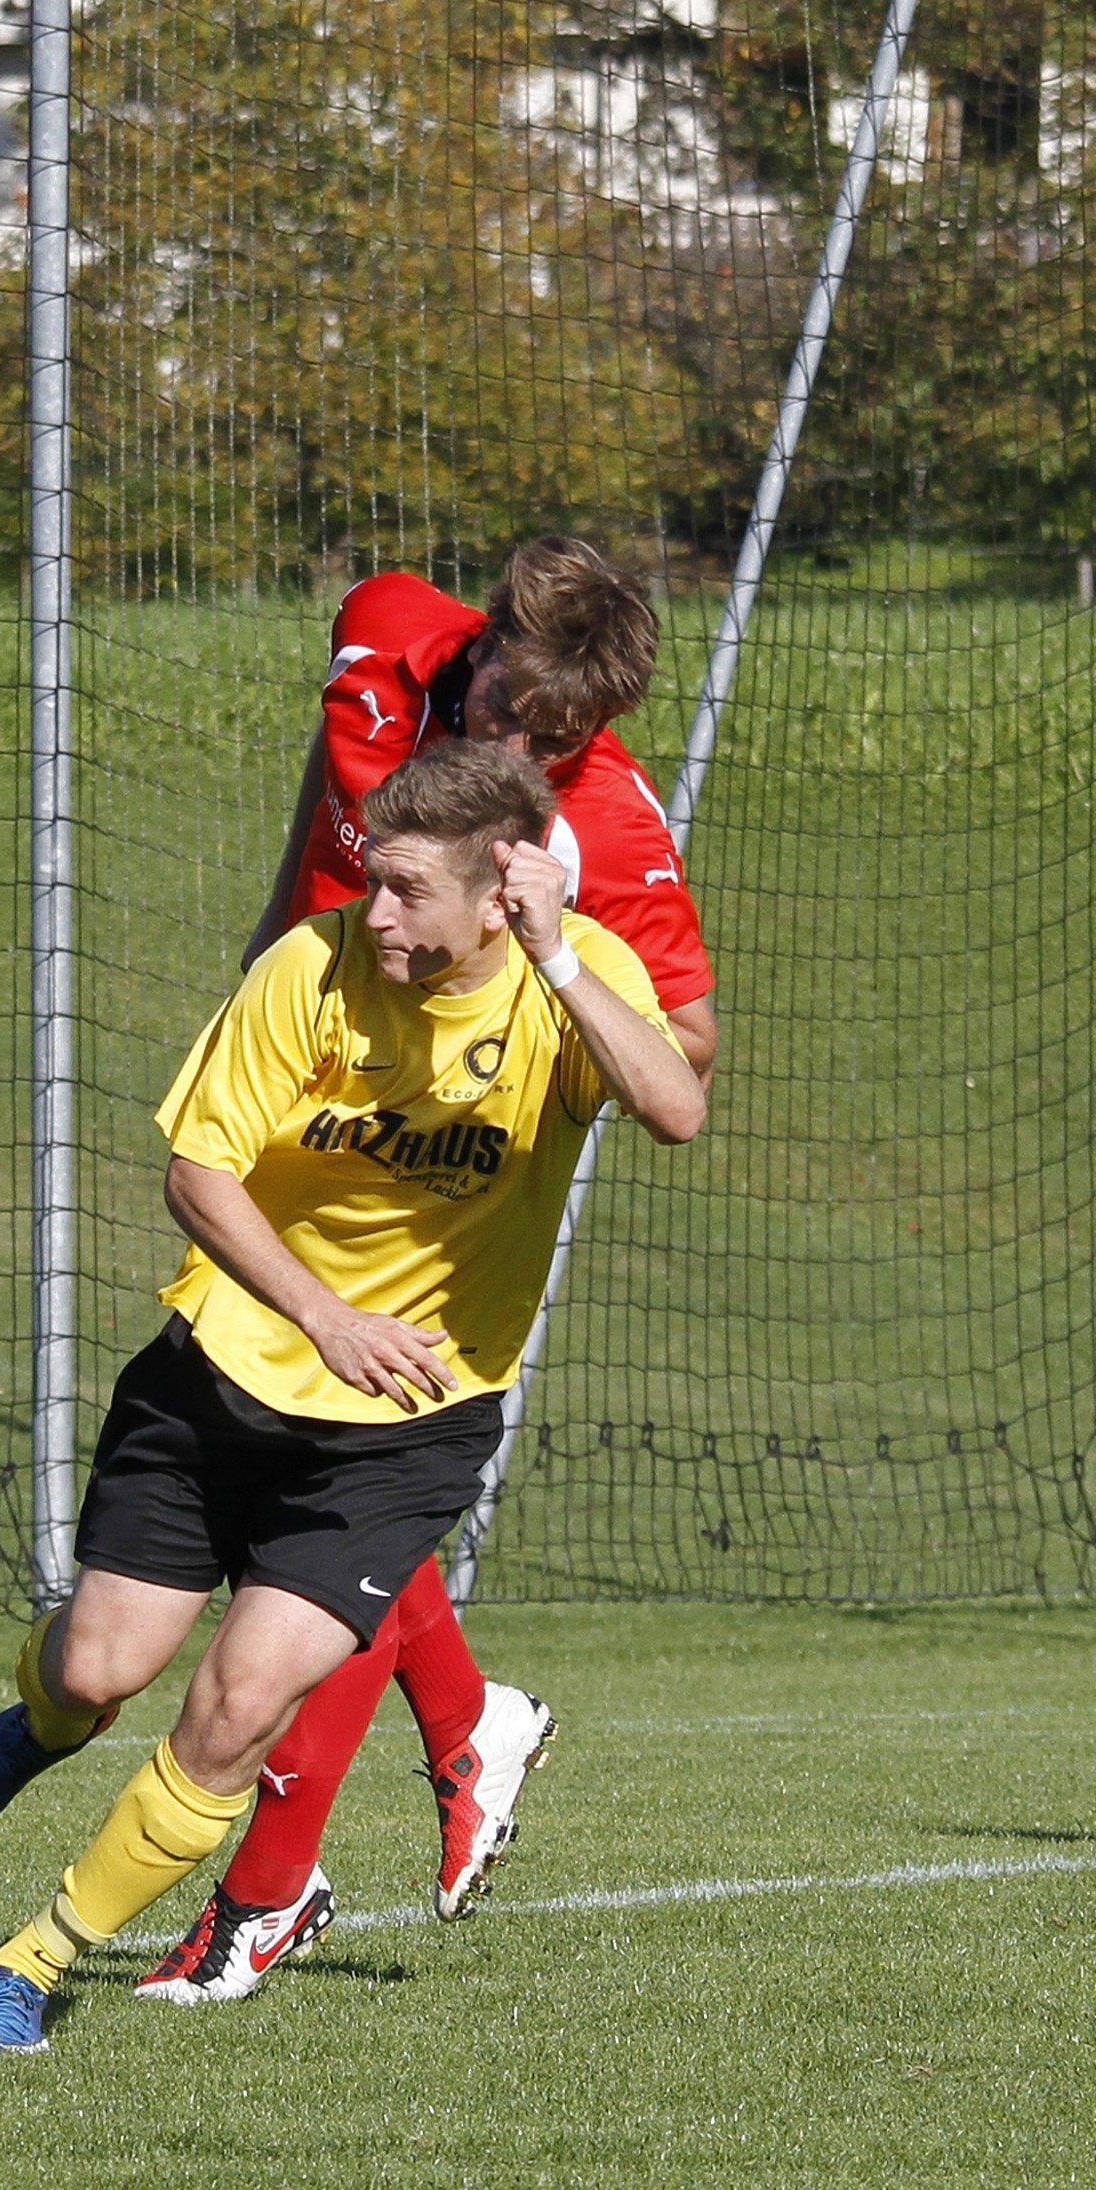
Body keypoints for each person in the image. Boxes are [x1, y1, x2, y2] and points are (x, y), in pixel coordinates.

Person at [0, 741, 706, 2052]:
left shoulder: (572, 978)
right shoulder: (307, 967)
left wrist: (559, 957)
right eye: (369, 879)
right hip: (220, 1377)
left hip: (406, 1429)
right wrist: (323, 1316)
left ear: (499, 895)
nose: (373, 912)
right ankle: (47, 1717)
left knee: (234, 1709)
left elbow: (674, 1108)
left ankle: (31, 1961)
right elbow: (196, 1174)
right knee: (101, 1667)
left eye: (406, 890)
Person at [137, 538, 720, 2002]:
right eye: (508, 708)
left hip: (439, 1168)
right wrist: (281, 932)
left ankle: (265, 1892)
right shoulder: (384, 623)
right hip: (305, 1093)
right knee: (302, 1479)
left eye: (555, 742)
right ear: (483, 644)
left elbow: (689, 1054)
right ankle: (467, 1724)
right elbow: (331, 787)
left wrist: (551, 978)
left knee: (341, 1505)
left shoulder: (604, 825)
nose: (519, 751)